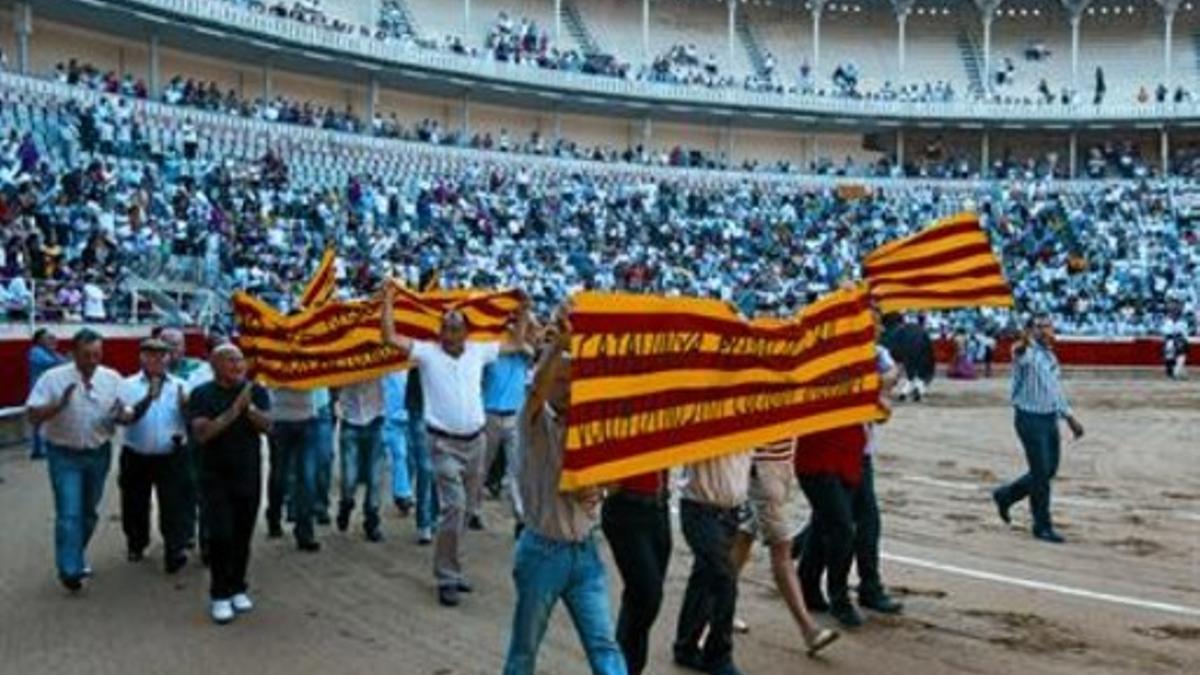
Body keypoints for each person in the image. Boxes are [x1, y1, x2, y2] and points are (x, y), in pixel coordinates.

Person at [380, 278, 530, 607]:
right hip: (443, 444)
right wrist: (388, 301)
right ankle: (447, 576)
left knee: (460, 513)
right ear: (440, 332)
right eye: (447, 327)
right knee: (455, 508)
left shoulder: (479, 350)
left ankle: (453, 568)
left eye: (456, 327)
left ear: (465, 331)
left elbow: (517, 342)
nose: (451, 333)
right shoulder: (428, 353)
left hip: (476, 442)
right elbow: (389, 338)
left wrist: (523, 308)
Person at [502, 312, 626, 675]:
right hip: (543, 551)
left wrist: (600, 491)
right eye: (563, 380)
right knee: (524, 651)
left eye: (574, 381)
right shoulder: (534, 422)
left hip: (584, 550)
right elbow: (537, 387)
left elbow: (617, 478)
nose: (570, 388)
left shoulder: (588, 431)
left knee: (604, 646)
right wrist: (558, 345)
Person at [26, 328, 125, 591]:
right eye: (86, 355)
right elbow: (33, 416)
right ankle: (70, 570)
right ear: (73, 354)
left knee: (89, 513)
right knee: (69, 513)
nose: (93, 360)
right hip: (64, 453)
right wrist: (58, 406)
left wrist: (121, 414)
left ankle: (75, 555)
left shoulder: (112, 378)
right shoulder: (53, 378)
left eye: (97, 354)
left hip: (98, 451)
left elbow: (125, 410)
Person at [730, 437, 839, 656]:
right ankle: (808, 629)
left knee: (743, 539)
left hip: (778, 463)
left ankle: (716, 611)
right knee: (781, 548)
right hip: (763, 467)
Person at [187, 344, 271, 624]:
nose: (238, 365)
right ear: (215, 365)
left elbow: (268, 426)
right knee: (221, 535)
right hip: (214, 475)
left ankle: (238, 586)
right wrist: (235, 410)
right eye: (230, 360)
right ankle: (219, 594)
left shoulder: (254, 391)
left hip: (248, 472)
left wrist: (250, 410)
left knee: (242, 534)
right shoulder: (202, 394)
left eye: (240, 360)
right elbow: (203, 433)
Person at [992, 314, 1085, 544]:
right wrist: (1025, 338)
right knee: (1041, 474)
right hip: (1029, 418)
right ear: (1034, 331)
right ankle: (1041, 525)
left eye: (1050, 326)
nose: (1049, 331)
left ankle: (1006, 495)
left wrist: (1070, 417)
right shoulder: (1025, 351)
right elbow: (1020, 354)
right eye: (1043, 327)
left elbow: (1055, 391)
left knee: (1048, 470)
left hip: (1048, 418)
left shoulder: (1050, 357)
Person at [673, 449, 753, 675]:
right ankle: (718, 655)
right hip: (700, 507)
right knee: (724, 578)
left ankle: (686, 646)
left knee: (705, 576)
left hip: (730, 510)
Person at [116, 338, 190, 573]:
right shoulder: (127, 385)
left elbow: (191, 420)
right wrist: (149, 396)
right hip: (137, 453)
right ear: (141, 357)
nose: (157, 360)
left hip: (172, 454)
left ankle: (174, 549)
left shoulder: (181, 384)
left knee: (174, 504)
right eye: (151, 355)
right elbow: (127, 417)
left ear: (169, 358)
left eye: (162, 355)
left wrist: (186, 408)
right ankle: (137, 543)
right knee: (135, 503)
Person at [602, 468, 671, 675]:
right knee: (647, 595)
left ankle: (626, 668)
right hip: (626, 507)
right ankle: (622, 667)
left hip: (658, 508)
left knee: (642, 601)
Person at [472, 312, 535, 534]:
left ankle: (520, 516)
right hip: (490, 413)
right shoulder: (492, 352)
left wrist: (522, 318)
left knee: (516, 469)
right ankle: (474, 510)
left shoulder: (522, 353)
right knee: (482, 467)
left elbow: (531, 349)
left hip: (514, 415)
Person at [266, 385, 321, 551]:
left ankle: (305, 531)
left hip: (307, 418)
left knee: (307, 478)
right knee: (280, 476)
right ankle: (274, 516)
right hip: (279, 419)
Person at [335, 377, 386, 542]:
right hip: (350, 420)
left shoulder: (378, 359)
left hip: (375, 419)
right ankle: (346, 503)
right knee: (349, 477)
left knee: (375, 476)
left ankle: (372, 520)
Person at [27, 328, 65, 460]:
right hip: (39, 390)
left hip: (48, 389)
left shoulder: (51, 352)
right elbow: (54, 364)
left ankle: (43, 447)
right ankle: (38, 450)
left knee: (47, 418)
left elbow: (64, 363)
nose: (52, 340)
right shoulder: (35, 352)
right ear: (39, 340)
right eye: (48, 337)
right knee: (40, 419)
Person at [382, 370, 414, 515]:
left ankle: (404, 492)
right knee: (399, 454)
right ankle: (402, 493)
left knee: (405, 455)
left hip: (407, 412)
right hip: (389, 412)